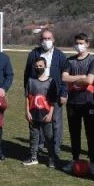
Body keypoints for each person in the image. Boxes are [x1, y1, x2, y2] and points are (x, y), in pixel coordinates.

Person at [23, 28, 68, 159]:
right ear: (40, 40)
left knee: (55, 122)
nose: (46, 41)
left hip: (54, 93)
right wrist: (27, 91)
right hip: (37, 94)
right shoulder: (33, 54)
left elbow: (64, 76)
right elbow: (27, 74)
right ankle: (40, 145)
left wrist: (64, 92)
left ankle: (55, 147)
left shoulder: (60, 55)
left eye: (49, 38)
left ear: (53, 40)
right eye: (44, 39)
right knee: (38, 120)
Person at [61, 33, 94, 175]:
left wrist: (74, 79)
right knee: (74, 133)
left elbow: (89, 80)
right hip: (72, 102)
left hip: (88, 102)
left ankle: (93, 161)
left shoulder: (93, 61)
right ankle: (74, 159)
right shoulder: (70, 60)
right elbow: (64, 77)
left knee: (90, 132)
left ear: (87, 44)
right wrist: (81, 77)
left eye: (82, 43)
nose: (79, 45)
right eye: (77, 43)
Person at [24, 57, 60, 168]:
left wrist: (50, 114)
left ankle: (51, 158)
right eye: (36, 66)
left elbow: (53, 100)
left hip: (46, 115)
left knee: (49, 137)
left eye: (40, 66)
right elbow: (27, 97)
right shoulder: (30, 80)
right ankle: (33, 157)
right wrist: (27, 111)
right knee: (34, 137)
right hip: (33, 114)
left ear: (45, 66)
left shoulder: (51, 81)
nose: (38, 68)